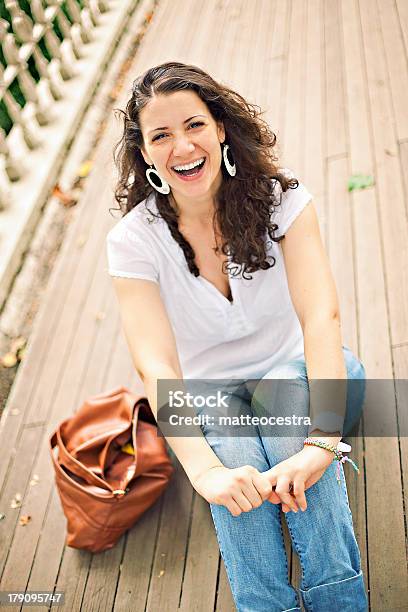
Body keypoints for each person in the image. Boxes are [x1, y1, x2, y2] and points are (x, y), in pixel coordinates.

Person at [105, 61, 368, 611]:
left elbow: (322, 319)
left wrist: (321, 442)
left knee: (281, 402)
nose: (181, 146)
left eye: (194, 125)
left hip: (312, 379)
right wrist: (204, 472)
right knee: (230, 435)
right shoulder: (133, 242)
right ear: (146, 153)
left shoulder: (282, 201)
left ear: (220, 128)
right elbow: (156, 365)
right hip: (217, 407)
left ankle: (338, 601)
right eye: (161, 135)